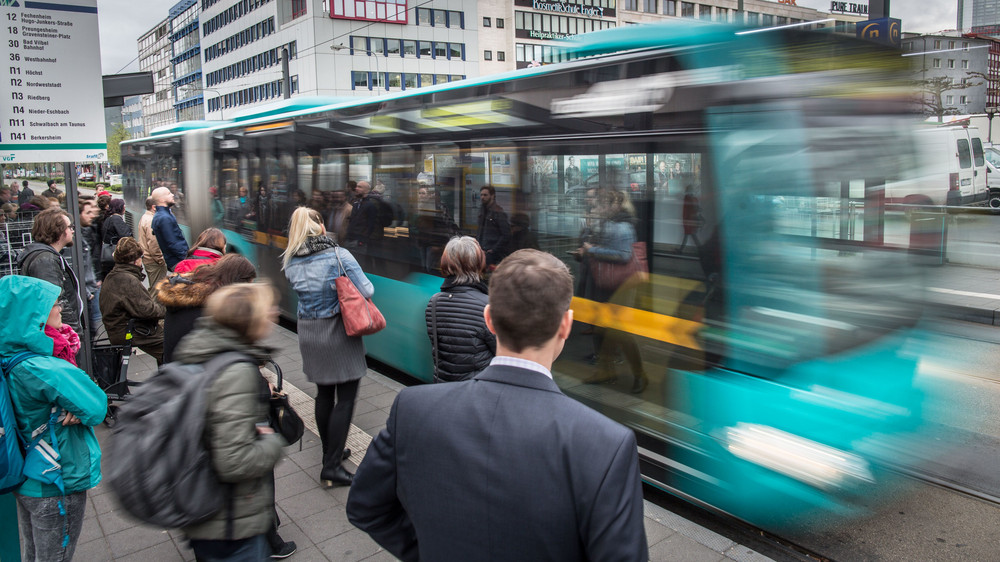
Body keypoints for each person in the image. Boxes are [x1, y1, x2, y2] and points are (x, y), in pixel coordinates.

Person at [346, 250, 648, 561]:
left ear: (488, 319)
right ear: (566, 326)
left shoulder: (412, 409)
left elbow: (365, 508)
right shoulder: (607, 445)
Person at [174, 283, 287, 561]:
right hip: (229, 521)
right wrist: (272, 443)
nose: (274, 314)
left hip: (201, 508)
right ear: (250, 321)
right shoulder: (235, 371)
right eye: (267, 311)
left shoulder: (201, 351)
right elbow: (234, 460)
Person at [1, 275, 107, 562]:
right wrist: (75, 402)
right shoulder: (42, 368)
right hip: (56, 480)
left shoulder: (9, 356)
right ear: (32, 315)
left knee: (33, 554)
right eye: (53, 304)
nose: (60, 308)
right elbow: (96, 405)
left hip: (28, 476)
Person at [282, 207, 372, 487]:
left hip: (309, 331)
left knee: (323, 395)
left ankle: (330, 453)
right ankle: (331, 467)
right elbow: (367, 290)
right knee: (345, 398)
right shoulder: (338, 255)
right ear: (320, 227)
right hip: (337, 331)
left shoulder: (291, 260)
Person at [580, 190, 648, 393]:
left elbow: (624, 255)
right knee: (602, 330)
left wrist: (592, 250)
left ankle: (640, 375)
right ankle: (605, 371)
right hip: (605, 284)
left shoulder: (622, 226)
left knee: (621, 332)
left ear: (614, 206)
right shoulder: (607, 224)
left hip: (620, 286)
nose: (597, 208)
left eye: (601, 205)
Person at [154, 253, 257, 364]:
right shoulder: (212, 310)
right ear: (237, 284)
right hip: (192, 375)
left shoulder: (194, 297)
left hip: (174, 369)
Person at [424, 236, 495, 382]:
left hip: (444, 387)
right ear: (478, 263)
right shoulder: (487, 306)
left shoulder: (434, 302)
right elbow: (500, 352)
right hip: (476, 389)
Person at [16, 207, 84, 339]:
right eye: (69, 226)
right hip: (60, 337)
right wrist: (73, 334)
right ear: (58, 231)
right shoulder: (45, 260)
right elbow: (56, 300)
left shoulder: (45, 256)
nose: (72, 230)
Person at [99, 237, 166, 365]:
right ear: (136, 261)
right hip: (129, 331)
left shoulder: (113, 275)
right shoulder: (128, 280)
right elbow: (147, 310)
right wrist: (167, 309)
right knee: (170, 345)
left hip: (119, 328)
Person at [78, 196, 102, 340]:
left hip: (91, 285)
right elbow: (84, 263)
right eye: (88, 212)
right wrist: (88, 290)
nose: (92, 214)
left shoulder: (89, 228)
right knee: (90, 328)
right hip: (88, 288)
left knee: (93, 327)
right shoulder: (81, 235)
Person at [150, 186, 189, 271]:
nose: (172, 195)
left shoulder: (161, 215)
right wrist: (186, 259)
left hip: (175, 261)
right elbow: (173, 243)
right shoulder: (164, 218)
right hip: (178, 262)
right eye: (168, 194)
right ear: (161, 199)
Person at [135, 197, 167, 295]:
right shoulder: (151, 221)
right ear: (154, 207)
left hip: (149, 259)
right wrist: (161, 260)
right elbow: (154, 244)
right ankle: (155, 309)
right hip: (154, 261)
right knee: (156, 290)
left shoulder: (145, 217)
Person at [476, 185, 511, 268]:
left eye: (485, 195)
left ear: (492, 196)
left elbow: (506, 234)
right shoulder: (482, 211)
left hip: (492, 253)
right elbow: (480, 231)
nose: (482, 197)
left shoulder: (498, 212)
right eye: (481, 195)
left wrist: (494, 249)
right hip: (483, 250)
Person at [100, 198, 132, 280]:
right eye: (124, 206)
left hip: (108, 254)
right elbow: (126, 237)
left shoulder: (108, 218)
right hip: (115, 255)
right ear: (120, 207)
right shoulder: (116, 219)